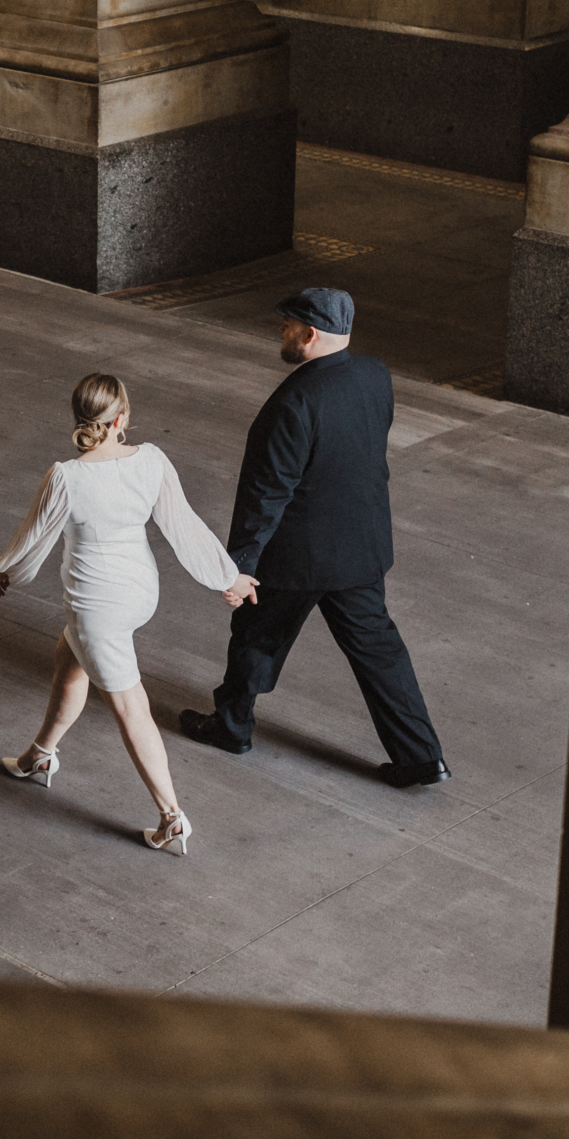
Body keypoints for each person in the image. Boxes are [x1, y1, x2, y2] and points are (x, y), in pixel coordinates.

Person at [179, 287, 450, 786]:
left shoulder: (293, 403)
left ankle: (232, 727)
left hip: (298, 558)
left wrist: (239, 567)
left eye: (286, 325)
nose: (280, 332)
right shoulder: (375, 375)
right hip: (360, 547)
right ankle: (421, 756)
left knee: (256, 638)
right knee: (380, 651)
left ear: (310, 334)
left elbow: (267, 496)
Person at [0, 373, 254, 855]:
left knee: (131, 709)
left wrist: (7, 573)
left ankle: (171, 817)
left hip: (98, 606)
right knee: (69, 662)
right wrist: (227, 576)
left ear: (81, 420)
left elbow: (34, 539)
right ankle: (38, 757)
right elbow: (184, 526)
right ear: (123, 418)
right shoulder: (151, 460)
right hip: (139, 592)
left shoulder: (67, 476)